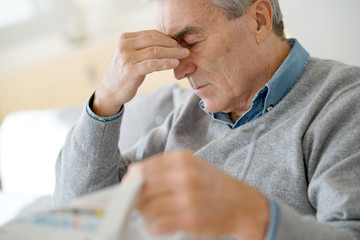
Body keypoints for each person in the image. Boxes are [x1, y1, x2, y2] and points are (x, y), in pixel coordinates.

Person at [54, 0, 360, 239]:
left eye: (190, 42)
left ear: (259, 20)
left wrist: (247, 213)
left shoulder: (343, 103)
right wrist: (106, 99)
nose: (178, 70)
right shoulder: (188, 116)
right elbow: (77, 214)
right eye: (172, 47)